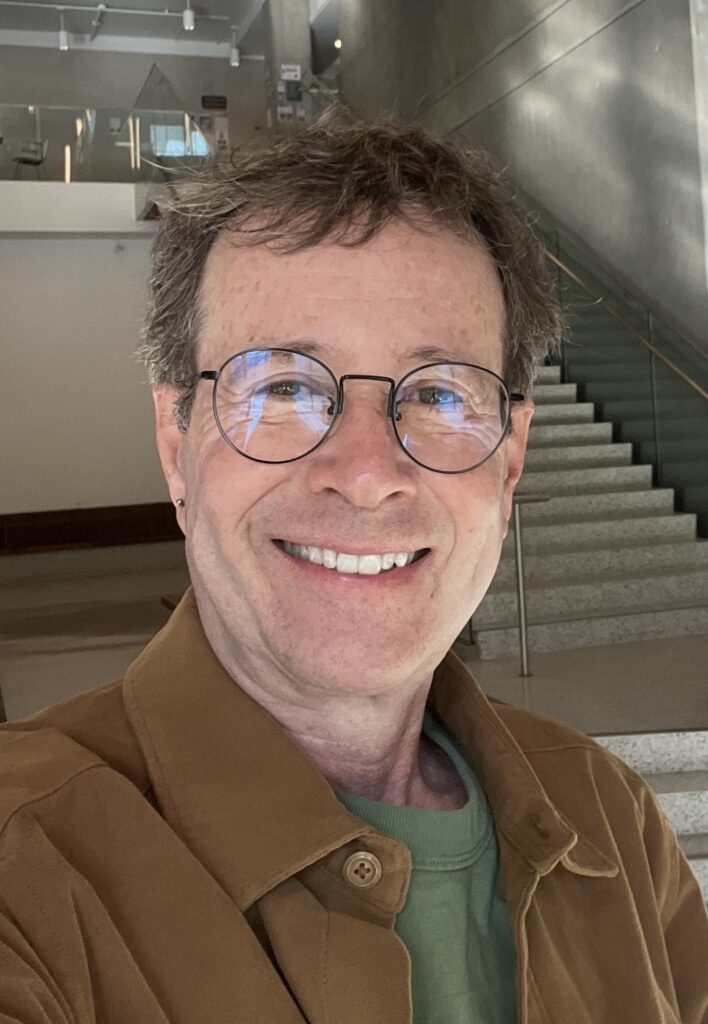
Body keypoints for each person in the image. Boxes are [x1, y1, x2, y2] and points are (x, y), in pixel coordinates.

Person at [0, 117, 706, 1024]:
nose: (369, 475)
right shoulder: (28, 866)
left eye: (441, 394)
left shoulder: (613, 820)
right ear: (178, 447)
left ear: (511, 462)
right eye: (286, 387)